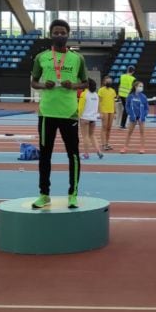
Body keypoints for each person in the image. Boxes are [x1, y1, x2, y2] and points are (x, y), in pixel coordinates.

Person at [29, 19, 87, 209]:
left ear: (68, 34)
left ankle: (73, 194)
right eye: (56, 32)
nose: (59, 35)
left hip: (69, 113)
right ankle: (44, 194)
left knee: (74, 155)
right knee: (45, 155)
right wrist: (42, 85)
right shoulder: (41, 57)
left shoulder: (78, 59)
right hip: (47, 113)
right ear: (50, 34)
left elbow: (86, 83)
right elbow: (33, 82)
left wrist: (75, 85)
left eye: (63, 32)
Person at [78, 78, 104, 160]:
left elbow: (80, 107)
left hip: (85, 118)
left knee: (85, 136)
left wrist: (78, 116)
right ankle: (99, 151)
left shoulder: (84, 94)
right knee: (92, 135)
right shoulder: (96, 95)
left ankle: (86, 154)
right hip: (93, 118)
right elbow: (97, 107)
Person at [121, 81, 149, 154]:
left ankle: (142, 148)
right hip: (133, 117)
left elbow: (146, 108)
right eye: (140, 86)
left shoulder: (143, 97)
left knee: (142, 132)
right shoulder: (130, 96)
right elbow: (127, 106)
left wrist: (143, 115)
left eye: (142, 86)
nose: (141, 88)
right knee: (129, 132)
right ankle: (125, 147)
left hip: (141, 117)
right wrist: (130, 113)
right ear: (135, 87)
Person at [98, 75, 117, 151]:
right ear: (104, 82)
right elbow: (99, 102)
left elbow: (114, 102)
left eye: (110, 81)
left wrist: (115, 112)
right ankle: (103, 144)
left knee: (109, 128)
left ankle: (107, 143)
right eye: (107, 81)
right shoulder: (101, 90)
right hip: (104, 111)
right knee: (104, 127)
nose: (109, 82)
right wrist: (100, 112)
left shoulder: (113, 91)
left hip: (111, 111)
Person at [118, 65, 136, 130]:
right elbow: (134, 88)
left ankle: (125, 123)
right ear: (133, 71)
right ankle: (122, 125)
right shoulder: (133, 79)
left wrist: (118, 95)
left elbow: (119, 85)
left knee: (126, 109)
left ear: (127, 70)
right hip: (127, 95)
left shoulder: (122, 76)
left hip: (121, 94)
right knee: (126, 109)